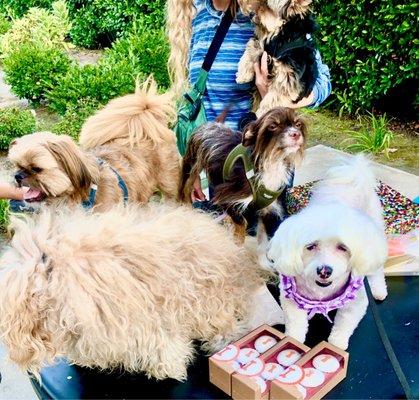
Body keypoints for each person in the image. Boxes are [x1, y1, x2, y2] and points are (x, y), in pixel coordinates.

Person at [167, 0, 331, 201]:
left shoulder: (267, 12)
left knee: (264, 231)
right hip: (217, 162)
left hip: (264, 163)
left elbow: (322, 84)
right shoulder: (193, 12)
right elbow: (197, 99)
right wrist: (191, 163)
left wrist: (275, 96)